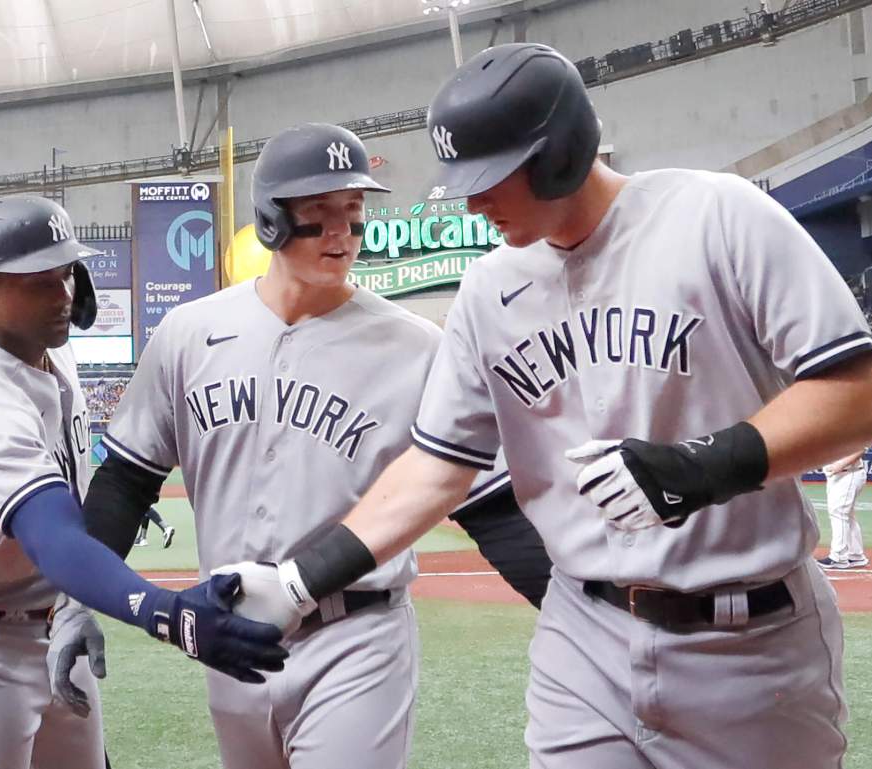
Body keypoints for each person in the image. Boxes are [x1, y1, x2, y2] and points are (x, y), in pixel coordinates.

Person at [217, 44, 872, 769]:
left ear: (560, 154)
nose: (474, 202)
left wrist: (699, 466)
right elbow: (437, 467)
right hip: (584, 635)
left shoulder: (716, 216)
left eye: (490, 179)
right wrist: (299, 580)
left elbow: (865, 395)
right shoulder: (488, 289)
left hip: (751, 640)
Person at [62, 123, 550, 769]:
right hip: (230, 635)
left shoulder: (415, 347)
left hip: (357, 633)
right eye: (318, 218)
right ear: (269, 220)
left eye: (353, 215)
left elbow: (490, 507)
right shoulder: (190, 332)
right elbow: (126, 480)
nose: (341, 235)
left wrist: (582, 617)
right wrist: (77, 599)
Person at [0, 196, 286, 769]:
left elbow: (72, 476)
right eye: (41, 283)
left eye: (66, 275)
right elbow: (54, 537)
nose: (63, 297)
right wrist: (167, 613)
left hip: (57, 618)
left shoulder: (54, 353)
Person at [817, 449, 869, 569]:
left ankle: (838, 557)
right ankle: (856, 555)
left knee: (838, 513)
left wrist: (841, 465)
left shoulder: (849, 430)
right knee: (847, 516)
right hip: (839, 475)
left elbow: (861, 448)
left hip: (848, 473)